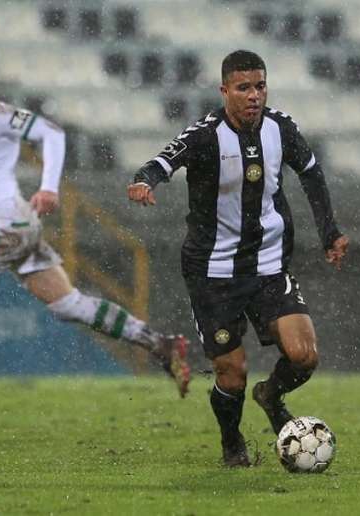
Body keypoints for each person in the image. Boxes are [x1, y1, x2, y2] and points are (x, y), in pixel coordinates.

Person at [0, 46, 190, 425]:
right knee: (67, 304)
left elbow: (51, 133)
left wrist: (49, 187)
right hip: (13, 225)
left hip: (6, 223)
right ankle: (161, 344)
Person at [128, 50, 348, 467]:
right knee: (232, 372)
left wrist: (330, 232)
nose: (254, 96)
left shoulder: (280, 128)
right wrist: (144, 181)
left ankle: (271, 395)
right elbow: (162, 161)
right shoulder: (206, 134)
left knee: (304, 355)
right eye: (243, 87)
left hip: (268, 265)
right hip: (214, 273)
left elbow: (312, 174)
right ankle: (232, 443)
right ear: (224, 90)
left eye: (260, 86)